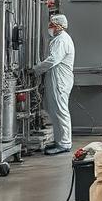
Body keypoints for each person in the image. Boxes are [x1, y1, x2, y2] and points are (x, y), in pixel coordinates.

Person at [34, 13, 75, 155]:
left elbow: (53, 60)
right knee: (55, 111)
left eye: (51, 25)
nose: (49, 28)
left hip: (60, 81)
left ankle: (64, 143)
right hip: (57, 79)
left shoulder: (61, 40)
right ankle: (60, 140)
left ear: (58, 26)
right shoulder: (60, 39)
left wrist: (35, 70)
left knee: (60, 111)